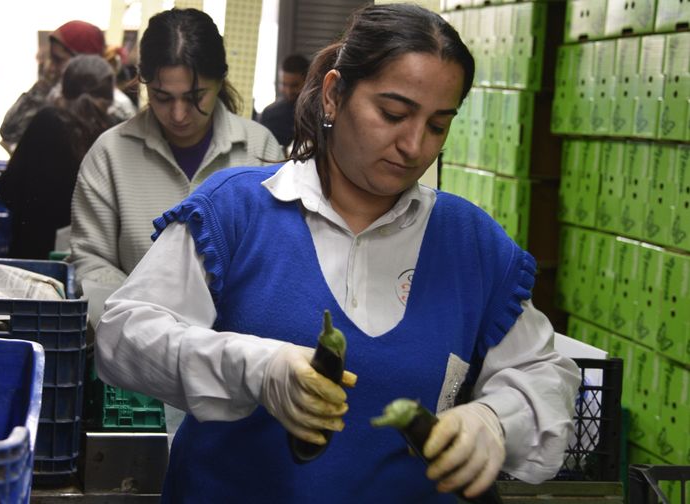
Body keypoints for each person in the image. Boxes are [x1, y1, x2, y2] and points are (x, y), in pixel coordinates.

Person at [94, 3, 581, 503]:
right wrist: (256, 368)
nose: (414, 144)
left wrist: (497, 418)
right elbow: (124, 337)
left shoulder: (468, 243)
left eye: (438, 125)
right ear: (333, 95)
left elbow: (546, 373)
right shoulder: (237, 211)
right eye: (393, 114)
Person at [68, 7, 281, 300]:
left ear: (220, 81)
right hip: (135, 337)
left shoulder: (260, 150)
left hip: (236, 341)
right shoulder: (110, 154)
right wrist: (142, 318)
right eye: (162, 97)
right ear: (142, 83)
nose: (179, 115)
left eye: (195, 97)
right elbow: (91, 260)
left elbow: (274, 261)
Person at [0, 55, 116, 259]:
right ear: (109, 98)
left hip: (34, 258)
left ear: (64, 89)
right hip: (91, 262)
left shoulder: (46, 121)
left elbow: (9, 190)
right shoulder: (114, 132)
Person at [0, 20, 106, 152]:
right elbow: (9, 132)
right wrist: (42, 87)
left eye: (59, 60)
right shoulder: (52, 94)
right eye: (51, 59)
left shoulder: (111, 108)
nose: (51, 66)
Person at [259, 54, 310, 148]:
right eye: (284, 84)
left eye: (294, 86)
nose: (288, 91)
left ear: (307, 82)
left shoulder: (319, 114)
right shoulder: (269, 114)